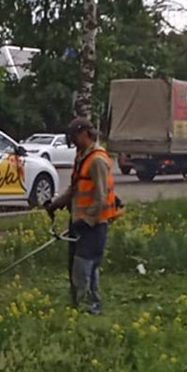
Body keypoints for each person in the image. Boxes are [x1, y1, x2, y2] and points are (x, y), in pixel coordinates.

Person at [47, 117, 122, 314]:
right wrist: (56, 204)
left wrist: (86, 220)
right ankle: (78, 304)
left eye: (74, 135)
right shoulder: (82, 156)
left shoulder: (97, 160)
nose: (72, 140)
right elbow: (76, 187)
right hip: (79, 222)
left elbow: (101, 198)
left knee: (85, 267)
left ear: (84, 134)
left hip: (94, 225)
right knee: (76, 266)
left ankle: (91, 306)